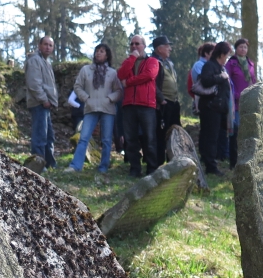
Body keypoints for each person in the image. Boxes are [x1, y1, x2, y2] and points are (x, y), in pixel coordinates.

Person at [69, 43, 123, 173]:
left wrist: (110, 98)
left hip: (107, 110)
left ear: (107, 55)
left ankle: (103, 167)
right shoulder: (86, 70)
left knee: (106, 140)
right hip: (90, 108)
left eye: (102, 51)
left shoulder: (112, 73)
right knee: (83, 137)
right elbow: (77, 87)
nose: (98, 53)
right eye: (97, 51)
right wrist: (86, 98)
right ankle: (75, 166)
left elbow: (119, 91)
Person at [117, 34, 161, 177]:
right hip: (129, 105)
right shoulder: (128, 61)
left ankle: (152, 169)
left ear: (144, 46)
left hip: (147, 105)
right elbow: (121, 74)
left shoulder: (153, 61)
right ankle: (135, 169)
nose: (134, 46)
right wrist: (132, 58)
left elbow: (149, 75)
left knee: (149, 139)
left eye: (137, 44)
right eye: (132, 44)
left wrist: (129, 82)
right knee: (130, 140)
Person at [197, 41, 233, 175]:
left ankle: (212, 163)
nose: (227, 58)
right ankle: (210, 166)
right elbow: (206, 81)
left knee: (216, 137)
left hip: (219, 109)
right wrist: (220, 77)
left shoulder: (220, 67)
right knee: (210, 137)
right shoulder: (209, 66)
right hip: (210, 108)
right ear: (222, 54)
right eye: (227, 55)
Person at [25, 36, 58, 169]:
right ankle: (38, 165)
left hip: (45, 104)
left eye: (50, 45)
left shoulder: (46, 62)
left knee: (49, 136)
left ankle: (50, 163)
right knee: (40, 136)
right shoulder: (34, 60)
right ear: (39, 45)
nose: (48, 47)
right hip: (39, 103)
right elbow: (34, 84)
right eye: (45, 44)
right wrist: (44, 100)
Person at [226, 38, 257, 167]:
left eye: (245, 47)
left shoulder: (250, 64)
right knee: (236, 131)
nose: (243, 49)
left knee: (248, 131)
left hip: (249, 103)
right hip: (236, 103)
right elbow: (227, 83)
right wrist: (236, 95)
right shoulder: (231, 63)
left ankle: (247, 158)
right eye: (240, 47)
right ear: (236, 49)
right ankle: (233, 160)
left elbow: (253, 80)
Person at [152, 36, 180, 163]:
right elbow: (153, 84)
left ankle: (172, 161)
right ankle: (158, 163)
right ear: (159, 48)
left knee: (173, 132)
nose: (170, 48)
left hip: (173, 102)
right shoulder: (153, 62)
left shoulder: (169, 62)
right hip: (162, 103)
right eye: (167, 45)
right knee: (161, 134)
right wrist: (161, 98)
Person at [187, 42, 215, 114]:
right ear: (206, 53)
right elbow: (206, 81)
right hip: (203, 98)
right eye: (213, 52)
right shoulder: (199, 65)